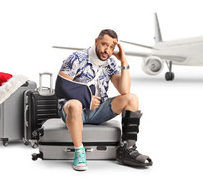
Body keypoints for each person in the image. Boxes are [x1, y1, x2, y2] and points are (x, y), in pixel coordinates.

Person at [55, 29, 152, 171]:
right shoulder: (76, 58)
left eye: (111, 47)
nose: (107, 50)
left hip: (98, 111)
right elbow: (60, 87)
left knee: (131, 99)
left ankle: (127, 149)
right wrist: (86, 99)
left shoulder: (110, 63)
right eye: (104, 44)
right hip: (73, 111)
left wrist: (124, 62)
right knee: (75, 105)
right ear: (96, 41)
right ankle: (79, 152)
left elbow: (124, 90)